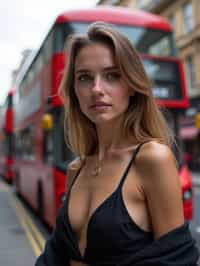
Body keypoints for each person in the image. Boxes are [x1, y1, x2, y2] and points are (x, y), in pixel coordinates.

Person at [35, 22, 199, 266]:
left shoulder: (152, 158)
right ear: (75, 90)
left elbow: (177, 261)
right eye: (84, 77)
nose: (97, 89)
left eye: (112, 75)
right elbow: (56, 254)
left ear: (132, 85)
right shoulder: (76, 169)